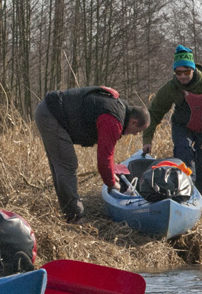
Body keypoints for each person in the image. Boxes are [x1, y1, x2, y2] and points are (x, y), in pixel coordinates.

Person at [34, 86, 151, 222]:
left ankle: (68, 210)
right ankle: (75, 217)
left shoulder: (119, 109)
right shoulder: (113, 121)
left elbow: (108, 153)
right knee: (67, 165)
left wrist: (111, 172)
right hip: (51, 115)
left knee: (61, 165)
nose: (136, 134)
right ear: (133, 122)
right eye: (138, 131)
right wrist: (112, 183)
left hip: (49, 109)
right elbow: (103, 159)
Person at [141, 45, 202, 200]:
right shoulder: (171, 88)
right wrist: (147, 139)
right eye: (178, 72)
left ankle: (199, 200)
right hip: (182, 127)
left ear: (193, 70)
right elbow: (154, 113)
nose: (182, 76)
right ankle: (182, 195)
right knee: (183, 155)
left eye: (186, 72)